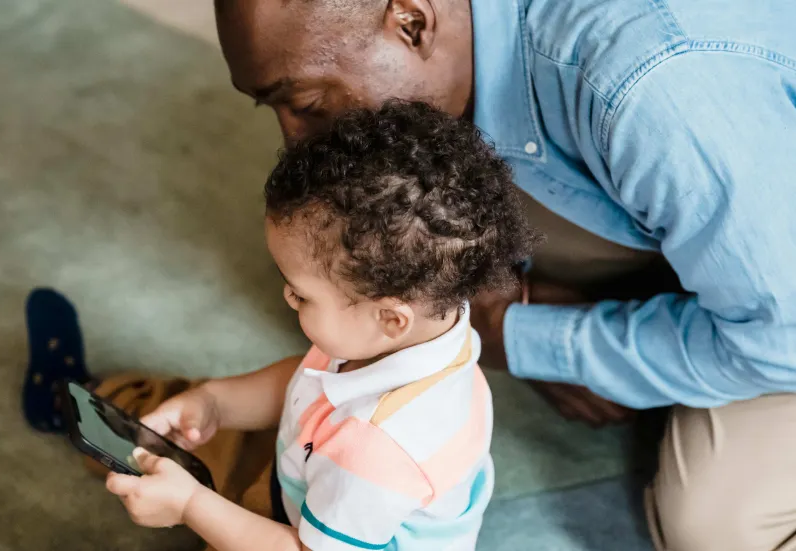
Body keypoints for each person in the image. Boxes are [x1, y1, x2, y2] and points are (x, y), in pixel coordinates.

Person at [201, 1, 796, 549]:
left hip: (783, 317)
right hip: (735, 200)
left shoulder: (657, 94)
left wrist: (519, 334)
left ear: (412, 21)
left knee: (716, 527)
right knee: (329, 261)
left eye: (305, 104)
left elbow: (780, 340)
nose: (294, 140)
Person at [102, 101, 538, 550]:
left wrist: (191, 507)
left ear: (390, 318)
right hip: (306, 477)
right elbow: (309, 382)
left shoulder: (378, 448)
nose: (286, 298)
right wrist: (215, 402)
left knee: (169, 480)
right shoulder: (423, 326)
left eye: (300, 294)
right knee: (140, 428)